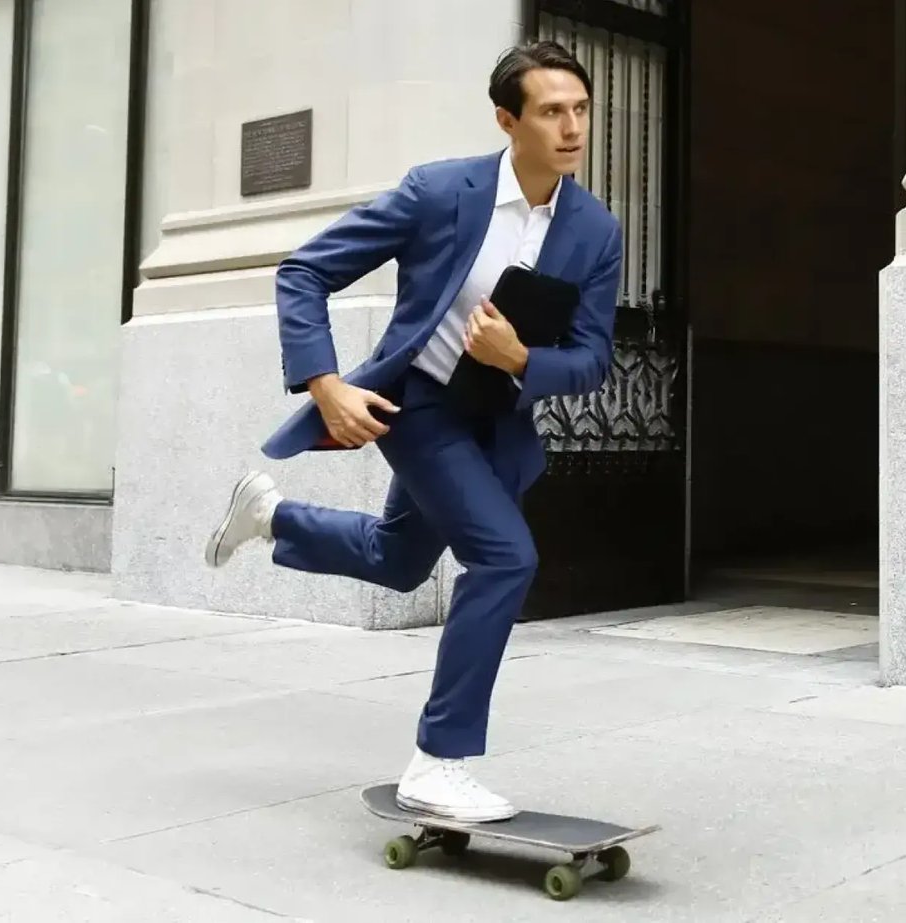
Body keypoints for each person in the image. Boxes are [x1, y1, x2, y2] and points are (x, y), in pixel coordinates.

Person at [201, 41, 621, 822]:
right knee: (505, 558)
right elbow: (305, 271)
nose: (573, 127)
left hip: (498, 425)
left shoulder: (595, 230)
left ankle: (270, 515)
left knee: (398, 560)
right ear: (508, 120)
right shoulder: (439, 192)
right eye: (552, 111)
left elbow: (594, 358)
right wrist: (327, 387)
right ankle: (439, 760)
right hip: (421, 407)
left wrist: (520, 355)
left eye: (582, 110)